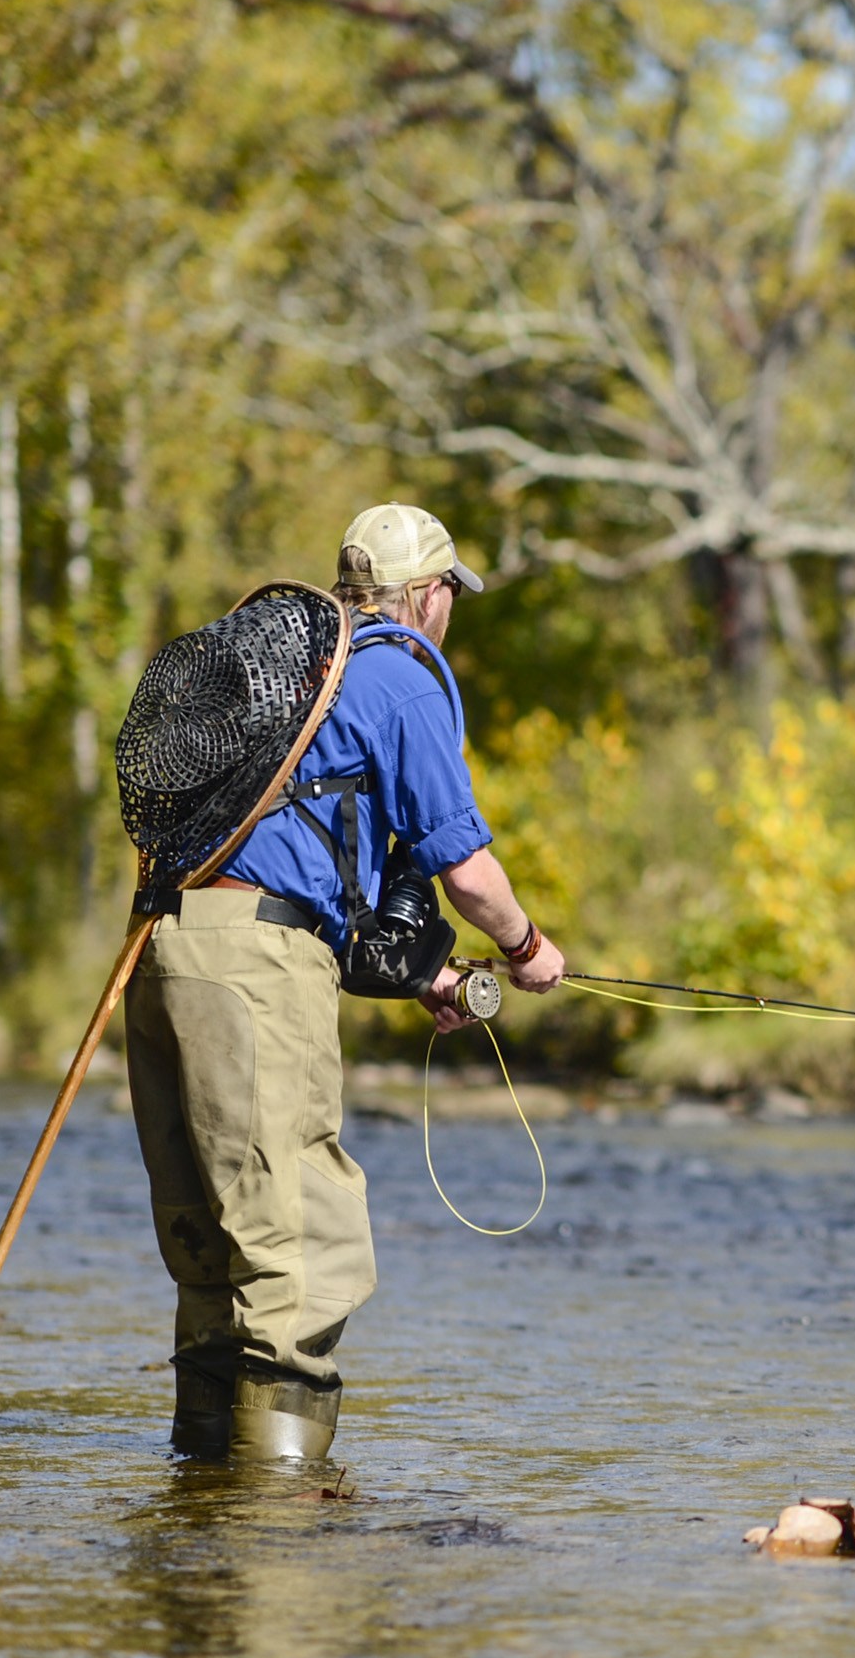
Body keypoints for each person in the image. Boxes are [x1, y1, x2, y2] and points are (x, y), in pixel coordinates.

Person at [124, 504, 566, 1461]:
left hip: (162, 951)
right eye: (452, 592)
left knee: (212, 1244)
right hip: (256, 972)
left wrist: (428, 976)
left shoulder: (289, 677)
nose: (452, 610)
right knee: (299, 1245)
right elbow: (468, 873)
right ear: (428, 594)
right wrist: (528, 950)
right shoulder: (395, 678)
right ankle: (278, 1535)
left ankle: (205, 1505)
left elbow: (307, 860)